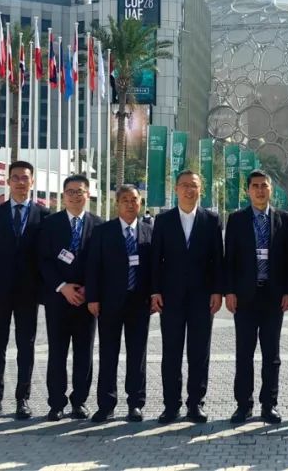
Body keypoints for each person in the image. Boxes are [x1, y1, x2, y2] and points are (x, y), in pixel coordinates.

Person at [0, 161, 52, 420]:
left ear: (33, 181)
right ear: (8, 181)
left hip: (28, 294)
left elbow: (46, 256)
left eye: (25, 178)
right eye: (16, 177)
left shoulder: (44, 215)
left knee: (26, 347)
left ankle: (23, 399)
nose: (21, 182)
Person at [151, 170, 224, 424]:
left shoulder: (211, 220)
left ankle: (196, 404)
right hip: (170, 298)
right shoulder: (163, 220)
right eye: (184, 185)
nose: (189, 190)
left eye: (193, 185)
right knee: (171, 352)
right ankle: (171, 406)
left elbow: (218, 259)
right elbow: (155, 259)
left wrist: (217, 291)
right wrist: (155, 290)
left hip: (202, 298)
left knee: (199, 353)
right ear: (176, 189)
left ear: (200, 189)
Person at [223, 171, 288, 424]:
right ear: (248, 191)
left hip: (274, 297)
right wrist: (229, 291)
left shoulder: (285, 219)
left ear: (271, 189)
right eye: (255, 186)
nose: (260, 190)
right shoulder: (236, 219)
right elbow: (229, 258)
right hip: (245, 297)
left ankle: (269, 404)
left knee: (271, 355)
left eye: (264, 186)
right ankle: (243, 405)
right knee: (244, 353)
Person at [85, 186, 154, 423]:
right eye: (125, 200)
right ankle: (106, 405)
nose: (130, 204)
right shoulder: (103, 231)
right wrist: (92, 297)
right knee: (108, 354)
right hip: (109, 303)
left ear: (140, 202)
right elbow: (93, 266)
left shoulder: (149, 231)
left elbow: (156, 267)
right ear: (117, 203)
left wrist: (155, 295)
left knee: (137, 355)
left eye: (134, 199)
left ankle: (135, 404)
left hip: (140, 302)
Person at [38, 175, 104, 421]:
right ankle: (56, 402)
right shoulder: (50, 224)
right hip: (58, 298)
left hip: (87, 300)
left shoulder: (99, 225)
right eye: (70, 191)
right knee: (57, 352)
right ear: (63, 195)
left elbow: (102, 262)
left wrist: (89, 289)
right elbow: (43, 260)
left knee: (84, 353)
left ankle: (79, 401)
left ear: (88, 194)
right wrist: (63, 287)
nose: (75, 196)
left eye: (80, 191)